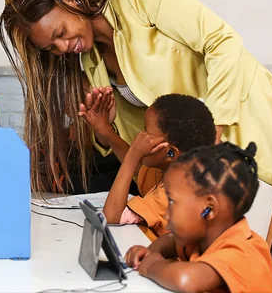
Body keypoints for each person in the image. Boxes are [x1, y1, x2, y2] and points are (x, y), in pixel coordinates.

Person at [0, 0, 272, 194]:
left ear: (71, 0)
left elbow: (222, 43)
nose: (62, 47)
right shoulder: (91, 63)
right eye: (52, 47)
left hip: (243, 123)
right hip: (200, 162)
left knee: (258, 243)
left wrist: (213, 126)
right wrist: (102, 131)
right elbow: (136, 141)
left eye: (60, 33)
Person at [124, 142, 272, 293]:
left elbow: (185, 279)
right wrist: (146, 253)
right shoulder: (201, 239)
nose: (166, 214)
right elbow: (169, 241)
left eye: (172, 201)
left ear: (209, 208)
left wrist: (152, 265)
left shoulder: (241, 252)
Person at [80, 91, 216, 237]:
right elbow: (139, 172)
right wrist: (105, 130)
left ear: (170, 153)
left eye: (146, 131)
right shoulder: (174, 172)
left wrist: (133, 155)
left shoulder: (173, 194)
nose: (140, 137)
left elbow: (111, 217)